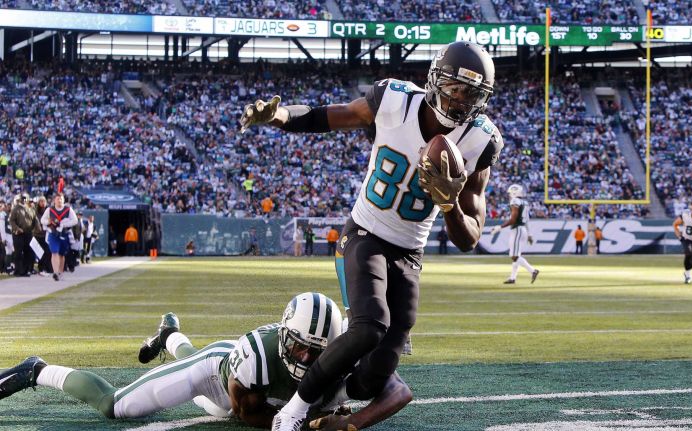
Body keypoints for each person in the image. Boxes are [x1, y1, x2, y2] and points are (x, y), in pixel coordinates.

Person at [241, 41, 503, 431]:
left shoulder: (481, 141)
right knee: (370, 325)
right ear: (434, 80)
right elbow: (331, 116)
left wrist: (449, 205)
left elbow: (469, 237)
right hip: (365, 231)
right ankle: (292, 411)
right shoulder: (393, 100)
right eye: (453, 87)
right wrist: (279, 115)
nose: (459, 100)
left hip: (409, 251)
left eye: (471, 93)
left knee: (375, 375)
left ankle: (330, 397)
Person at [0, 293, 412, 430]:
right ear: (285, 336)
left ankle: (168, 335)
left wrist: (348, 423)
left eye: (317, 352)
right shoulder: (256, 356)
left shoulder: (343, 352)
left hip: (251, 382)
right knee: (117, 406)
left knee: (189, 357)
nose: (306, 357)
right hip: (219, 378)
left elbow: (399, 390)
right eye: (299, 346)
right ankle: (38, 370)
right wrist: (306, 419)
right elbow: (245, 414)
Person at [491, 184, 538, 284]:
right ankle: (513, 278)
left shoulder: (515, 201)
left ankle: (533, 270)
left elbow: (513, 219)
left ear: (514, 192)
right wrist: (529, 234)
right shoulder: (524, 202)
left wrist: (500, 227)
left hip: (517, 230)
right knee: (516, 255)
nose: (509, 196)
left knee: (514, 255)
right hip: (522, 229)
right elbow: (527, 220)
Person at [40, 193, 79, 281]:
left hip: (64, 234)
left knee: (61, 254)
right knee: (54, 252)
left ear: (63, 200)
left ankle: (60, 273)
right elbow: (42, 220)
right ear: (54, 200)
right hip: (53, 234)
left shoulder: (68, 209)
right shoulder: (49, 209)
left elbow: (75, 220)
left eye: (61, 199)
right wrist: (49, 222)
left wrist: (64, 224)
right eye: (58, 199)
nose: (59, 200)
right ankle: (55, 272)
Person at [9, 193, 36, 277]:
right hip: (18, 233)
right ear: (20, 199)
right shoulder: (15, 209)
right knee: (18, 253)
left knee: (28, 252)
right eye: (23, 198)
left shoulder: (29, 209)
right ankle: (18, 270)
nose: (24, 200)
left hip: (28, 233)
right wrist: (17, 228)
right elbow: (11, 221)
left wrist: (34, 229)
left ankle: (25, 270)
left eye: (25, 198)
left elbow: (34, 219)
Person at [34, 196, 53, 274]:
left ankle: (48, 268)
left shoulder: (49, 211)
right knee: (40, 252)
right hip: (38, 235)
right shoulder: (35, 211)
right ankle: (41, 268)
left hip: (47, 234)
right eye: (41, 201)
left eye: (44, 201)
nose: (42, 203)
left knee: (48, 252)